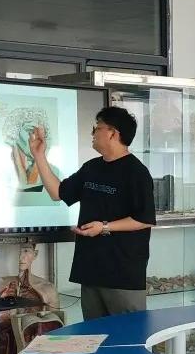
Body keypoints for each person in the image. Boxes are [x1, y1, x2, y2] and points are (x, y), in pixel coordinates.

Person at [30, 105, 155, 319]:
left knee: (127, 336)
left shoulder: (137, 173)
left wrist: (104, 227)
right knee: (93, 335)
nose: (93, 133)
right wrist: (39, 155)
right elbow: (57, 192)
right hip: (91, 271)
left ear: (112, 133)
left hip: (122, 276)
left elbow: (144, 219)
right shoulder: (91, 168)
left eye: (97, 128)